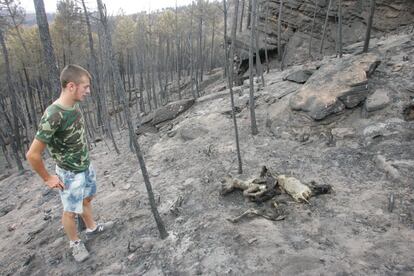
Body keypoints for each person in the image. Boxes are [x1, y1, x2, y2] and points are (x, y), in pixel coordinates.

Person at [26, 64, 113, 262]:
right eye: (86, 87)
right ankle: (74, 243)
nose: (88, 91)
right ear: (71, 86)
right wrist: (48, 178)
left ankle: (91, 228)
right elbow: (32, 154)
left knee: (87, 199)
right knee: (71, 211)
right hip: (69, 173)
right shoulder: (53, 115)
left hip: (85, 166)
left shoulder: (74, 104)